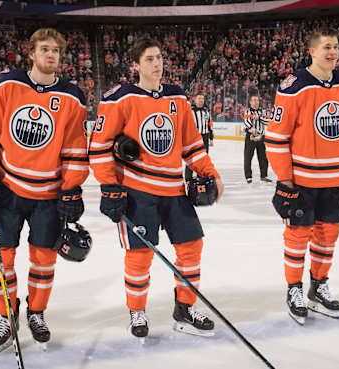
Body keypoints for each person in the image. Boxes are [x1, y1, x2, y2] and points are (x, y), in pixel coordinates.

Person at [89, 38, 224, 340]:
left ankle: (185, 310)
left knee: (192, 248)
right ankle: (137, 311)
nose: (157, 63)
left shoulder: (177, 97)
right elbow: (98, 149)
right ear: (135, 65)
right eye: (149, 59)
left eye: (160, 58)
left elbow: (192, 145)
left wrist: (210, 174)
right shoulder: (118, 98)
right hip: (137, 192)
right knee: (140, 255)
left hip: (174, 189)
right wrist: (109, 187)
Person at [0, 28, 89, 352]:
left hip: (48, 196)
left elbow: (75, 148)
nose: (51, 55)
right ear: (32, 53)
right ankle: (7, 316)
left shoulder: (72, 96)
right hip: (7, 190)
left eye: (56, 51)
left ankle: (36, 313)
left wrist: (71, 190)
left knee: (43, 260)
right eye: (45, 49)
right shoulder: (6, 84)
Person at [265, 27, 339, 325]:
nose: (332, 52)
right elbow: (275, 139)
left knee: (328, 236)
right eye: (326, 47)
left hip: (334, 180)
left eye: (336, 47)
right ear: (311, 51)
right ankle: (294, 289)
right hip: (302, 181)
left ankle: (319, 285)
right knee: (298, 236)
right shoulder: (294, 86)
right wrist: (285, 180)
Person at [241, 90, 271, 184]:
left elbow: (268, 122)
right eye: (253, 100)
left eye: (257, 100)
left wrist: (259, 118)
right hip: (250, 137)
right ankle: (248, 177)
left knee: (263, 157)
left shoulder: (264, 111)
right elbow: (246, 122)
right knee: (248, 157)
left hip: (261, 137)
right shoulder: (247, 111)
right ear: (250, 102)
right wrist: (251, 128)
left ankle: (264, 175)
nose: (256, 102)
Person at [184, 93, 214, 181]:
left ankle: (201, 178)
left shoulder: (206, 111)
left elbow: (210, 125)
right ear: (195, 100)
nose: (201, 100)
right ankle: (188, 179)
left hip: (204, 137)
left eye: (202, 99)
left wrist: (211, 138)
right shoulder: (190, 111)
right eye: (199, 98)